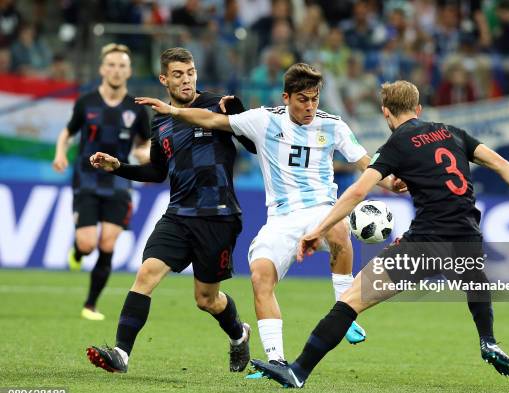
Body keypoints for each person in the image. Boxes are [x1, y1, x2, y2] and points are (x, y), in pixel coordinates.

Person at [250, 80, 509, 387]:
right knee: (473, 277)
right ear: (418, 108)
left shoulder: (397, 143)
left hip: (425, 245)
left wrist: (317, 229)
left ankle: (299, 371)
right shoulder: (452, 133)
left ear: (386, 113)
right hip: (467, 238)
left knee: (350, 301)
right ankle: (489, 340)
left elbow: (358, 191)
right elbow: (500, 164)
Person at [135, 62, 406, 372]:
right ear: (286, 97)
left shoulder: (333, 125)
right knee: (260, 276)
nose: (310, 106)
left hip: (322, 210)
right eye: (303, 99)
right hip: (281, 219)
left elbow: (364, 162)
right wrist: (174, 112)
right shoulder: (263, 120)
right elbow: (212, 119)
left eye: (315, 98)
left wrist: (388, 182)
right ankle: (276, 361)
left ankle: (343, 310)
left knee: (339, 227)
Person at [86, 47, 256, 374]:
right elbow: (157, 172)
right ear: (164, 79)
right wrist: (118, 166)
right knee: (146, 273)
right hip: (178, 215)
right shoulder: (160, 120)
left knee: (206, 299)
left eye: (190, 72)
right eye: (178, 74)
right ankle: (121, 354)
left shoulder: (216, 104)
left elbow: (252, 145)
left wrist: (239, 115)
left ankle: (239, 334)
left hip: (218, 215)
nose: (187, 79)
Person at [52, 43, 151, 321]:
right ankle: (77, 251)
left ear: (129, 71)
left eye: (122, 65)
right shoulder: (86, 102)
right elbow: (67, 133)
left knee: (108, 244)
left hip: (119, 180)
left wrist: (143, 154)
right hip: (87, 179)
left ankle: (90, 305)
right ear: (102, 69)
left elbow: (145, 143)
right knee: (87, 245)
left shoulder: (137, 108)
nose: (116, 70)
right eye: (111, 65)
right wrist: (60, 153)